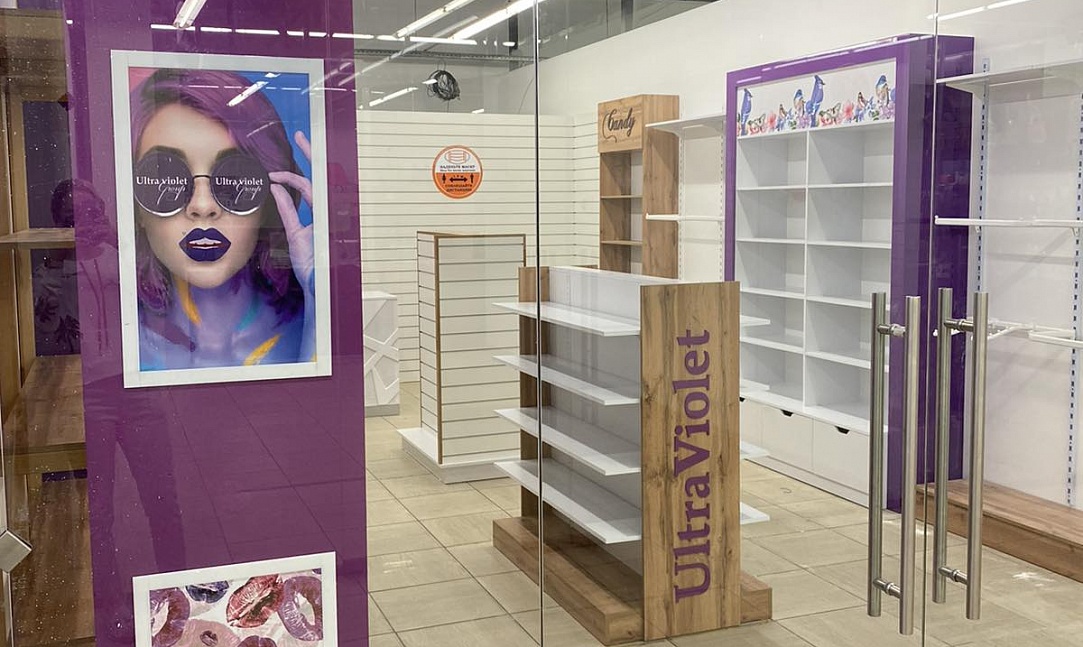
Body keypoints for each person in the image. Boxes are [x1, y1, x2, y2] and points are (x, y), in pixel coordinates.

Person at [129, 69, 316, 371]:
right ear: (136, 208)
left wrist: (322, 298)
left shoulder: (309, 321)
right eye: (167, 178)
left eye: (234, 178)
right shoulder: (122, 343)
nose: (203, 206)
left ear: (269, 199)